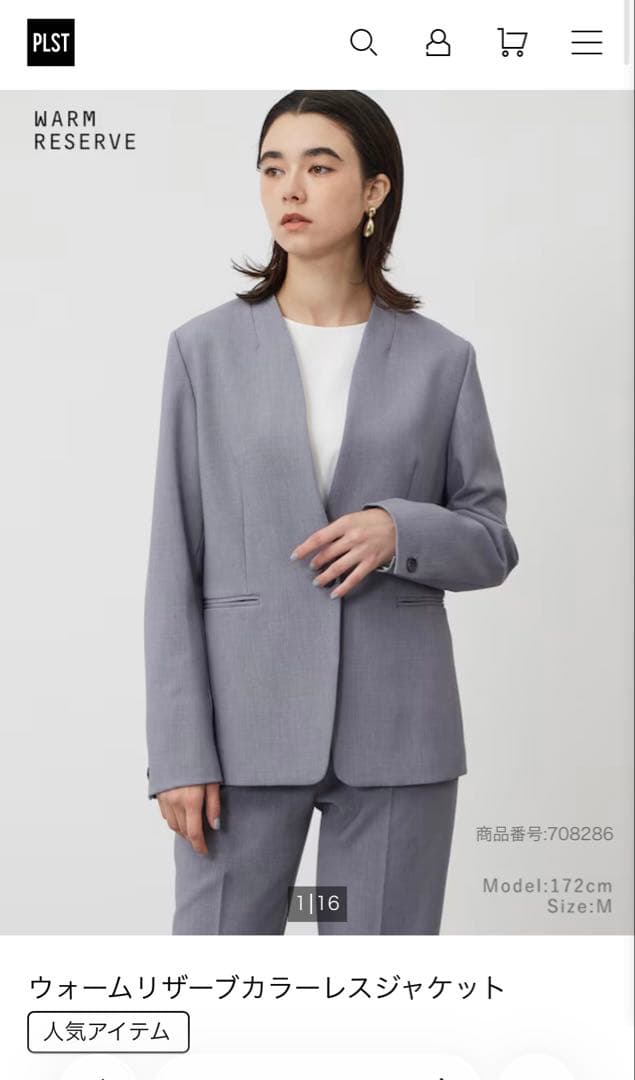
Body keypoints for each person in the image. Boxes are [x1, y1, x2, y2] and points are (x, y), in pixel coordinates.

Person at [144, 90, 520, 934]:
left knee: (377, 986)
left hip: (399, 730)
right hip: (239, 733)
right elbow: (173, 558)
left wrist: (400, 530)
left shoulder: (441, 360)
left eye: (318, 167)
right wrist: (176, 751)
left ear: (374, 190)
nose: (290, 189)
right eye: (272, 168)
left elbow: (491, 542)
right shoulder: (202, 352)